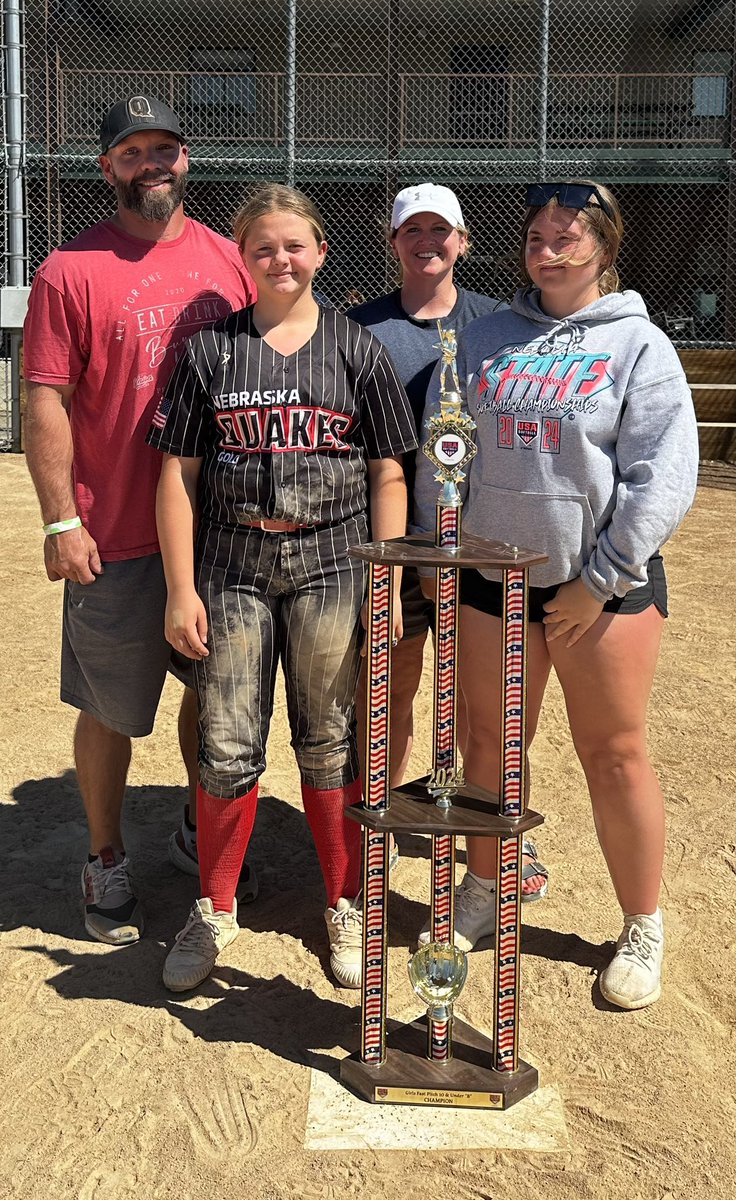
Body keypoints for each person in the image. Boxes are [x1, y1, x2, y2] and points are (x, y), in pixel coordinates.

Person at [413, 180, 698, 1009]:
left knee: (613, 755)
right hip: (489, 584)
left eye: (567, 236)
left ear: (605, 248)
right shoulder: (481, 338)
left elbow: (662, 477)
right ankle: (483, 886)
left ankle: (640, 921)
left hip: (598, 590)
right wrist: (441, 548)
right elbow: (443, 452)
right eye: (537, 235)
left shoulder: (637, 346)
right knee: (490, 748)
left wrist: (599, 579)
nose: (548, 248)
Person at [147, 183, 418, 992]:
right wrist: (177, 589)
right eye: (263, 247)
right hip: (231, 562)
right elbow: (177, 472)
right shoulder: (212, 349)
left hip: (331, 562)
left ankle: (343, 905)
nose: (280, 260)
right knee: (229, 740)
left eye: (295, 245)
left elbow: (388, 468)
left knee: (327, 734)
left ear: (321, 253)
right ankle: (214, 907)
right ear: (243, 257)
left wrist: (391, 576)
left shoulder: (352, 346)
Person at [23, 96, 258, 947]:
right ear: (107, 167)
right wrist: (59, 520)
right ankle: (105, 854)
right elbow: (44, 394)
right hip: (114, 531)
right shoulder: (69, 269)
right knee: (111, 709)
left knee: (215, 696)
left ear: (186, 160)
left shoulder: (230, 261)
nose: (152, 162)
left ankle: (202, 834)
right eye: (133, 150)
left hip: (220, 530)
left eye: (166, 147)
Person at [348, 184, 547, 897]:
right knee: (391, 692)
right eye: (412, 230)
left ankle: (487, 844)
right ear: (393, 240)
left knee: (478, 706)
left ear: (462, 240)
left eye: (441, 229)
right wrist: (396, 553)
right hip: (397, 545)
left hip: (477, 550)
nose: (426, 241)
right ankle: (382, 829)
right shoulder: (359, 327)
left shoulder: (497, 323)